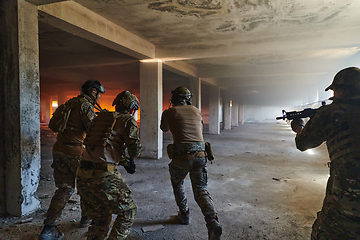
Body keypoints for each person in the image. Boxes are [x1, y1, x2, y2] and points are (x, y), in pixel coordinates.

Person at [290, 67, 360, 239]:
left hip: (347, 199)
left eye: (334, 91)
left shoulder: (331, 113)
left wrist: (299, 126)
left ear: (342, 91)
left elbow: (302, 143)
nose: (333, 95)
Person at [39, 79, 106, 240]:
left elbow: (55, 125)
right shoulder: (86, 107)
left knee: (65, 188)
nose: (99, 98)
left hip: (59, 149)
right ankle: (86, 218)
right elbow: (94, 132)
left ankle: (49, 228)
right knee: (86, 185)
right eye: (98, 94)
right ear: (93, 92)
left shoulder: (69, 103)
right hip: (76, 152)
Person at [76, 90, 141, 240]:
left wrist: (123, 162)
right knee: (128, 211)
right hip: (103, 176)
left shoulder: (101, 118)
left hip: (83, 174)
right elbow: (135, 150)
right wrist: (130, 158)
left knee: (100, 218)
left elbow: (103, 146)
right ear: (132, 108)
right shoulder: (127, 120)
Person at [160, 86, 222, 240]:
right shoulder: (196, 110)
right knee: (200, 189)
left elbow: (163, 128)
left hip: (181, 157)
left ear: (174, 98)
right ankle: (212, 221)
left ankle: (184, 214)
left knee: (178, 183)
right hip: (201, 155)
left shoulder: (169, 112)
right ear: (188, 98)